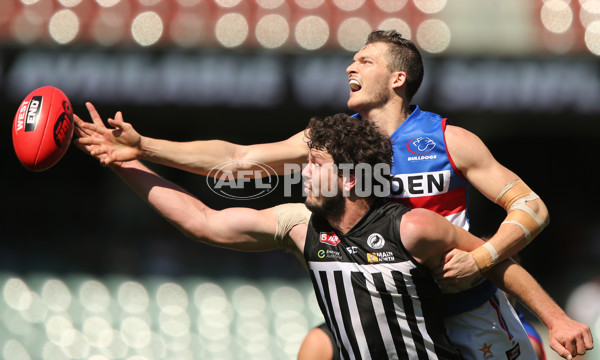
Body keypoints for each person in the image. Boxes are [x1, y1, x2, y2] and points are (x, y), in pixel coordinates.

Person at [74, 30, 593, 359]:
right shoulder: (330, 145)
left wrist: (482, 257)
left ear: (398, 77)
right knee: (316, 346)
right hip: (385, 304)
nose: (350, 68)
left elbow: (531, 207)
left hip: (465, 304)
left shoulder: (448, 140)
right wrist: (144, 146)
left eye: (364, 61)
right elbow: (238, 158)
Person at [76, 112, 538, 359]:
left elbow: (495, 261)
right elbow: (202, 220)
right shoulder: (301, 228)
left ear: (353, 179)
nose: (303, 173)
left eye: (316, 165)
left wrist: (554, 321)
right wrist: (127, 162)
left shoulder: (411, 227)